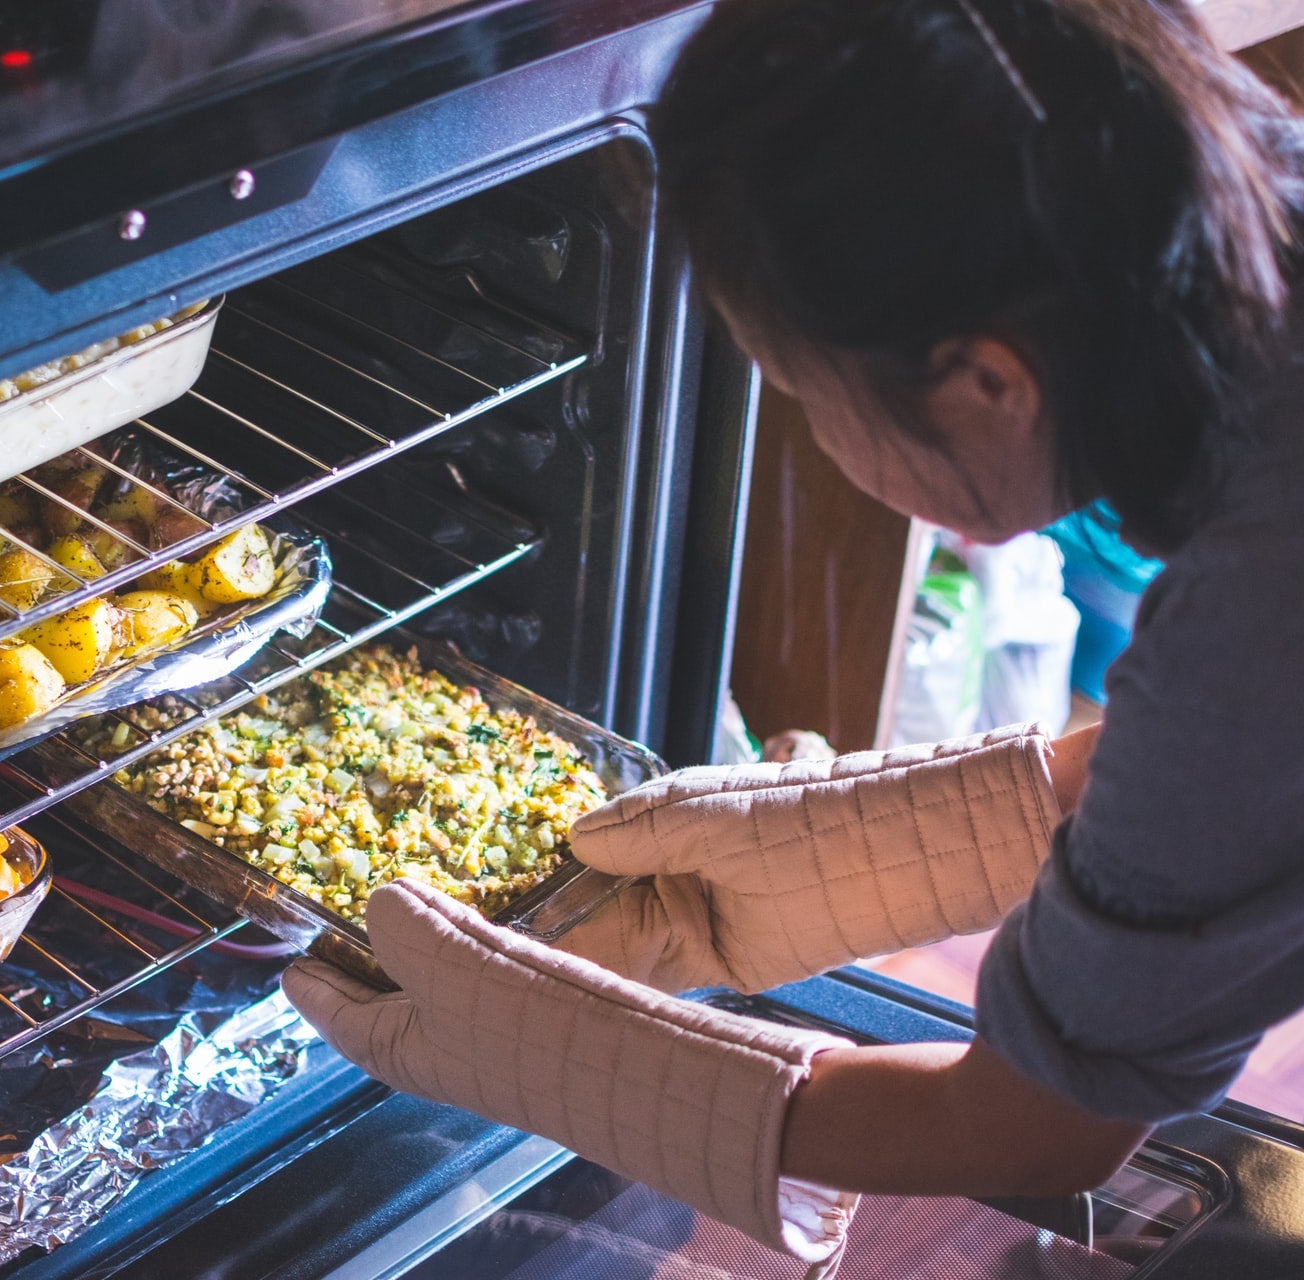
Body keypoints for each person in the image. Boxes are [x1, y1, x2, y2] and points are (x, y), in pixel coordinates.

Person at [281, 0, 1304, 1271]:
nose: (818, 434)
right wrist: (891, 840)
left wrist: (589, 1063)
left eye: (806, 389)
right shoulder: (1254, 203)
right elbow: (1245, 790)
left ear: (989, 380)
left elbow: (1036, 1133)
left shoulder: (1256, 608)